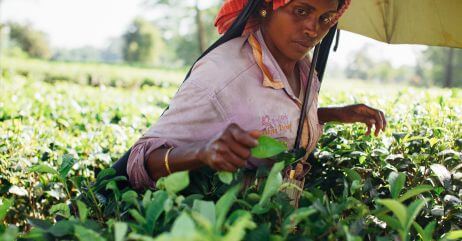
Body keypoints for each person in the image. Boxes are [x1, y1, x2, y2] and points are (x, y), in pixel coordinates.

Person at [126, 0, 387, 190]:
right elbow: (141, 160)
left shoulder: (304, 68)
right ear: (266, 7)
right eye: (301, 11)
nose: (313, 29)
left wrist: (333, 114)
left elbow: (270, 118)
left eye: (325, 18)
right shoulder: (223, 74)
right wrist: (202, 152)